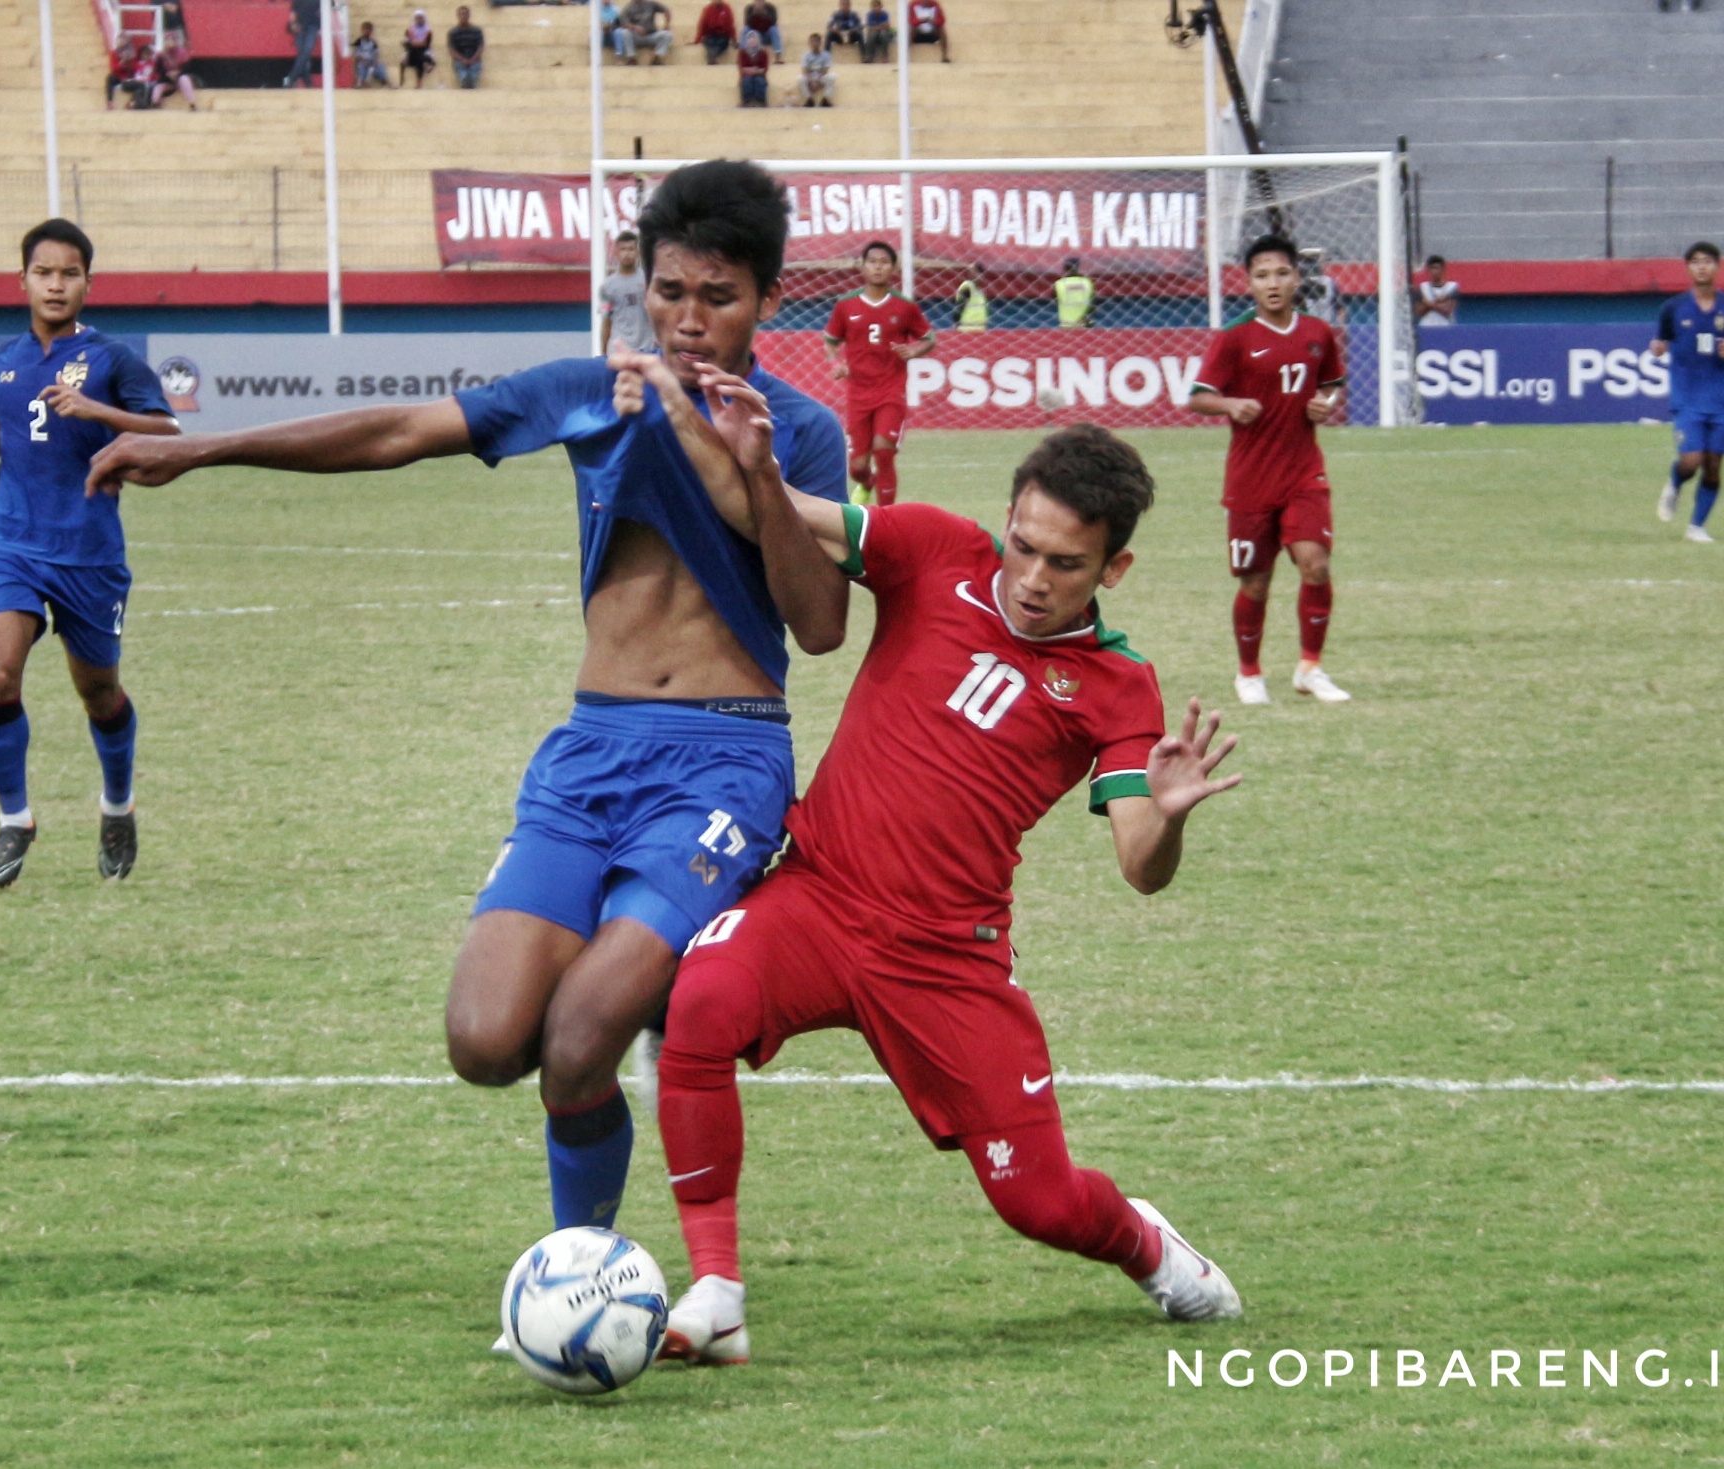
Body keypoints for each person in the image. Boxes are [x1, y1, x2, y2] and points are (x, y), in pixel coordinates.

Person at [84, 159, 850, 1252]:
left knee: (580, 1033)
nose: (686, 321)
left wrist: (752, 467)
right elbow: (399, 430)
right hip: (589, 754)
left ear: (767, 300)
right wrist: (202, 447)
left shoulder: (799, 428)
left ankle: (577, 1271)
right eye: (668, 293)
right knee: (486, 1041)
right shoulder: (594, 392)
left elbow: (819, 626)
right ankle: (643, 989)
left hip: (723, 761)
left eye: (716, 298)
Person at [639, 397, 1247, 1362]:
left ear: (1113, 569)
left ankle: (1145, 1242)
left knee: (1038, 1204)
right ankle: (716, 1291)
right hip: (820, 898)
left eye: (1066, 563)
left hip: (944, 960)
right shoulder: (932, 550)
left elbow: (1140, 867)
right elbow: (781, 512)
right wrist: (723, 443)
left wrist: (1166, 817)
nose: (1034, 578)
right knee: (698, 1002)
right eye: (1024, 546)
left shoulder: (1117, 686)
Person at [0, 220, 180, 889]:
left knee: (99, 694)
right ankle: (15, 819)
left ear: (87, 283)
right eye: (43, 272)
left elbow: (169, 429)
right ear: (21, 280)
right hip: (9, 541)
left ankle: (117, 806)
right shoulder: (6, 359)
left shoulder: (112, 360)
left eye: (68, 273)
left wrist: (95, 409)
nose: (55, 284)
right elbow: (6, 434)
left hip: (88, 550)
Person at [1186, 234, 1350, 706]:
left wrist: (1327, 404)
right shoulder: (1235, 337)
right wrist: (1230, 403)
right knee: (1255, 581)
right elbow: (1197, 397)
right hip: (1250, 482)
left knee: (1314, 564)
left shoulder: (1318, 334)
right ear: (1249, 283)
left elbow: (1332, 385)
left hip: (1303, 473)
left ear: (1297, 278)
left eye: (1281, 273)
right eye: (1262, 275)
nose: (1272, 283)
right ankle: (1249, 672)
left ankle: (1310, 668)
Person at [1651, 241, 1724, 543]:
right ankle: (1675, 483)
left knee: (1713, 466)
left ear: (1717, 266)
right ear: (1688, 267)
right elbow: (1660, 341)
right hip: (1686, 397)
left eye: (1708, 261)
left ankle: (1696, 526)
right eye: (1696, 261)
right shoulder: (1673, 308)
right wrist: (1657, 347)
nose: (1702, 266)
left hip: (1721, 398)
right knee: (1691, 460)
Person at [823, 240, 933, 505]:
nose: (878, 268)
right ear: (862, 266)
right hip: (858, 394)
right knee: (857, 467)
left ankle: (886, 519)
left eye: (884, 263)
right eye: (873, 262)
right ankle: (868, 482)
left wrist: (914, 351)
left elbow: (929, 339)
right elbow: (830, 341)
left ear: (893, 268)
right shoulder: (846, 306)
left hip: (890, 391)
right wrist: (836, 364)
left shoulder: (905, 307)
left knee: (884, 452)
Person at [598, 231, 658, 354]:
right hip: (619, 350)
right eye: (623, 249)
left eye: (631, 249)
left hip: (646, 348)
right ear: (616, 253)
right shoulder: (607, 286)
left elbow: (659, 314)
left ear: (638, 252)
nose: (627, 254)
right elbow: (606, 321)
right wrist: (603, 353)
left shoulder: (650, 280)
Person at [285, 0, 324, 87]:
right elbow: (293, 11)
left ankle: (291, 78)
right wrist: (293, 24)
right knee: (304, 54)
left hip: (312, 26)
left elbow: (322, 10)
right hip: (300, 26)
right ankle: (308, 82)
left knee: (306, 51)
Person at [1415, 254, 1458, 328]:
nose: (1434, 271)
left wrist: (1429, 303)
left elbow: (1447, 311)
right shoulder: (1422, 287)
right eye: (1431, 268)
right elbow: (1419, 312)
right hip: (1426, 327)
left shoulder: (1452, 287)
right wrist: (1438, 301)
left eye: (1436, 268)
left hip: (1445, 326)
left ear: (1443, 269)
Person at [447, 5, 485, 85]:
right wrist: (463, 60)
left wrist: (473, 59)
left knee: (475, 67)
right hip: (460, 60)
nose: (463, 16)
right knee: (460, 67)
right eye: (461, 14)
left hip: (474, 59)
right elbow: (452, 50)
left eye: (465, 14)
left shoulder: (477, 31)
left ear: (469, 15)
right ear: (458, 16)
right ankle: (465, 80)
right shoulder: (453, 32)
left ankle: (470, 81)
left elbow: (480, 47)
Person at [1054, 257, 1094, 328]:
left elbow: (1055, 302)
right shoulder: (1087, 282)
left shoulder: (1059, 284)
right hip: (1083, 323)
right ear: (1078, 267)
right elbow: (1093, 305)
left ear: (1065, 268)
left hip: (1066, 324)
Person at [401, 9, 436, 86]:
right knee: (404, 58)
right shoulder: (410, 29)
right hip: (412, 50)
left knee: (421, 58)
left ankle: (419, 82)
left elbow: (426, 44)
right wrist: (414, 44)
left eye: (421, 18)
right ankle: (402, 78)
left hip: (424, 50)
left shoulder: (428, 30)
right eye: (417, 18)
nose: (419, 20)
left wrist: (413, 43)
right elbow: (406, 42)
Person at [952, 262, 989, 330]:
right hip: (967, 328)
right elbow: (959, 306)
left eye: (980, 273)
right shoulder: (968, 287)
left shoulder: (980, 292)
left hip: (980, 329)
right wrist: (955, 323)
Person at [799, 31, 834, 103]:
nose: (815, 44)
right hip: (810, 77)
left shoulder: (826, 55)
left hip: (821, 77)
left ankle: (825, 99)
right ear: (809, 43)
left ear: (821, 43)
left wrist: (817, 81)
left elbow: (825, 70)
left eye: (817, 41)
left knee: (832, 77)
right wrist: (812, 81)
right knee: (800, 79)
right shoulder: (806, 56)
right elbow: (805, 70)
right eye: (812, 42)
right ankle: (809, 99)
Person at [351, 20, 389, 85]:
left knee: (380, 66)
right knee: (360, 67)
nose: (367, 32)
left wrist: (375, 62)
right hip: (362, 62)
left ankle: (386, 82)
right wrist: (362, 61)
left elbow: (376, 54)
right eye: (365, 30)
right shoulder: (359, 41)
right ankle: (359, 83)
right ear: (362, 30)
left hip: (371, 62)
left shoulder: (373, 42)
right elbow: (356, 54)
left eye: (369, 30)